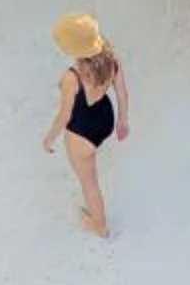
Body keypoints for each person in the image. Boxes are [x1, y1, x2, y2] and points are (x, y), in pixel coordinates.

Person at [42, 12, 129, 237]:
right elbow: (121, 93)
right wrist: (122, 121)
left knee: (89, 183)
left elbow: (65, 115)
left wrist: (50, 138)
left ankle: (99, 225)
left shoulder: (72, 77)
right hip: (104, 120)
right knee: (90, 177)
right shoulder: (112, 60)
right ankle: (96, 214)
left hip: (82, 134)